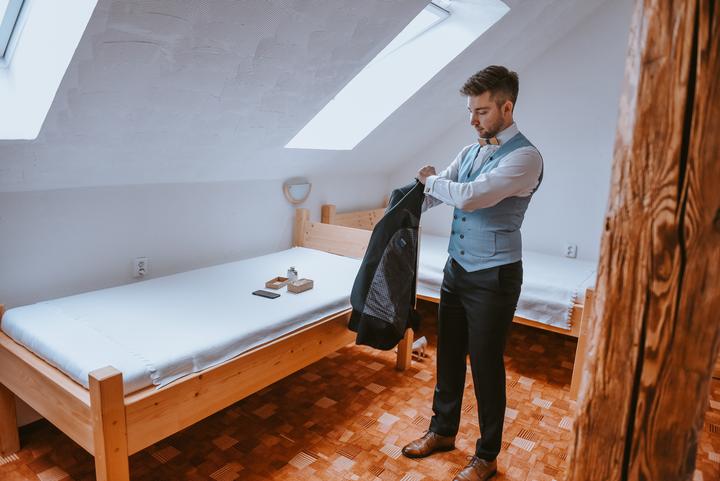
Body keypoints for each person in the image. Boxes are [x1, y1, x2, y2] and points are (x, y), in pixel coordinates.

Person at [401, 65, 543, 481]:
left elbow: (470, 197)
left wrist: (430, 181)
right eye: (470, 111)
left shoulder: (526, 157)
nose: (472, 120)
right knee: (448, 356)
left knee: (485, 365)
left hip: (494, 277)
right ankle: (442, 431)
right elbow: (438, 193)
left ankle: (487, 456)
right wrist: (402, 204)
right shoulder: (469, 152)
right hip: (456, 269)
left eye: (481, 112)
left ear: (506, 107)